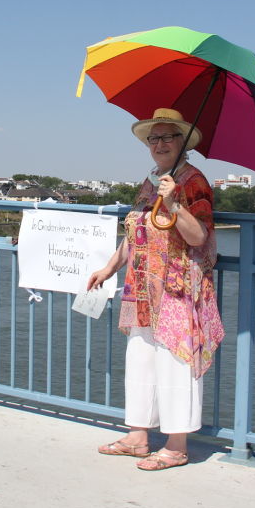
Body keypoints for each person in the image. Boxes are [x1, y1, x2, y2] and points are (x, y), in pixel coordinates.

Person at [88, 109, 223, 471]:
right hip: (143, 287)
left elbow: (199, 239)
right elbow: (136, 233)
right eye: (154, 138)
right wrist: (108, 268)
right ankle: (137, 436)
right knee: (141, 359)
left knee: (176, 362)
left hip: (177, 288)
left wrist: (176, 202)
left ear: (183, 143)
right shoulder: (151, 181)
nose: (160, 144)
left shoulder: (194, 182)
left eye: (168, 138)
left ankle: (177, 445)